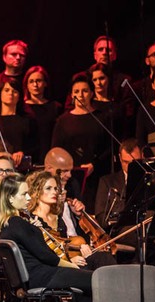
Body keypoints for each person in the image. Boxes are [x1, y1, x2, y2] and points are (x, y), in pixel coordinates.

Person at [0, 173, 93, 302]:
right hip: (43, 276)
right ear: (10, 199)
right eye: (24, 194)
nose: (28, 198)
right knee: (96, 279)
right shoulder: (18, 223)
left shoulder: (10, 224)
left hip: (36, 276)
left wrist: (33, 229)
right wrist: (72, 266)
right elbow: (47, 256)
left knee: (88, 280)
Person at [51, 75, 112, 211]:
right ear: (72, 94)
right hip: (71, 177)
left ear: (91, 93)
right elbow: (56, 151)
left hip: (97, 174)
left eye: (84, 91)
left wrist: (94, 164)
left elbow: (109, 148)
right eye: (76, 91)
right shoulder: (63, 121)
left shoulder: (102, 117)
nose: (80, 95)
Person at [0, 77, 37, 163]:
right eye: (6, 90)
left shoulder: (28, 120)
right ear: (0, 94)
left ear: (19, 96)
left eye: (15, 91)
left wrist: (22, 153)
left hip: (21, 166)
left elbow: (35, 145)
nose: (10, 93)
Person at [95, 138, 142, 230]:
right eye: (126, 162)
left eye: (134, 162)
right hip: (120, 233)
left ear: (142, 156)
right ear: (120, 158)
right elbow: (101, 217)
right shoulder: (107, 182)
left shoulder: (150, 179)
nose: (130, 166)